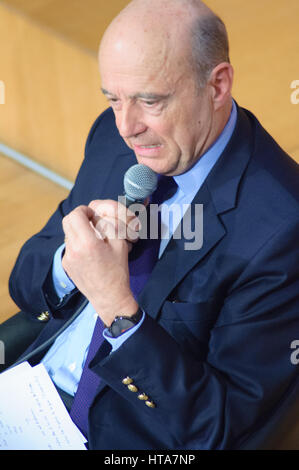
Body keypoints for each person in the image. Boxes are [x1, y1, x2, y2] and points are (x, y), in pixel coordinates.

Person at [3, 0, 299, 450]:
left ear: (217, 85)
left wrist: (117, 308)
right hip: (26, 392)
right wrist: (70, 263)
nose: (127, 126)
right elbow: (26, 279)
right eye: (113, 98)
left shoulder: (282, 228)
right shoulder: (113, 137)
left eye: (149, 100)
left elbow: (218, 428)